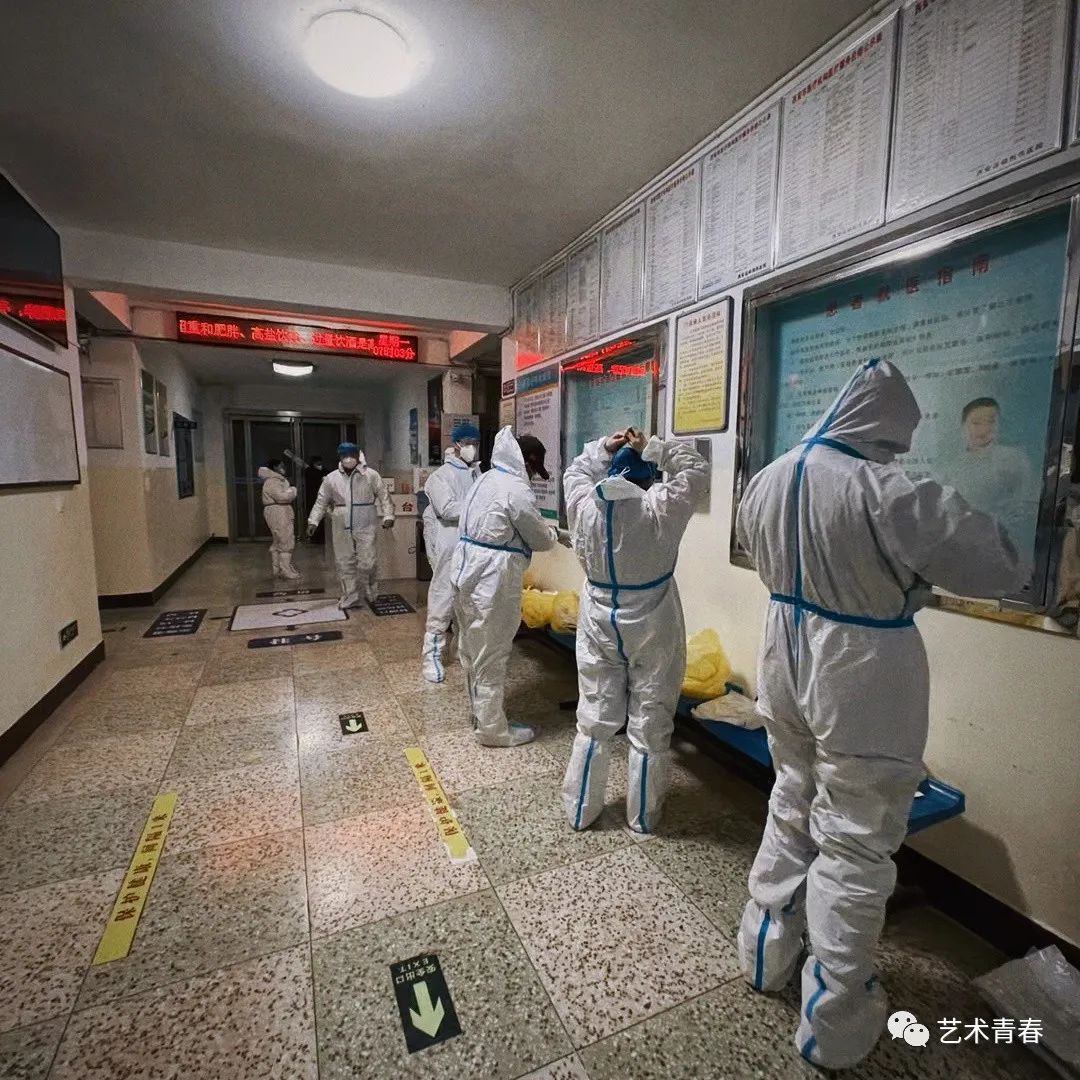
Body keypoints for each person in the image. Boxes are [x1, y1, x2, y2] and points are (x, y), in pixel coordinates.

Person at [735, 359, 1022, 1071]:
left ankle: (764, 951)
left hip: (782, 652)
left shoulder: (768, 477)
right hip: (861, 671)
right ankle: (833, 1019)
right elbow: (999, 565)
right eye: (895, 441)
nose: (896, 453)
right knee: (857, 841)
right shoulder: (884, 490)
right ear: (884, 427)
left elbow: (759, 551)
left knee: (790, 801)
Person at [561, 427, 709, 833]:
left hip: (599, 619)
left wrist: (602, 447)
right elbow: (696, 470)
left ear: (612, 473)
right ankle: (643, 816)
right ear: (648, 480)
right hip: (652, 621)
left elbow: (575, 471)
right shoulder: (658, 508)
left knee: (594, 716)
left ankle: (580, 810)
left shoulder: (584, 506)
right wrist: (654, 447)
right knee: (650, 718)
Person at [451, 427, 558, 746]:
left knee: (472, 647)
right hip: (492, 577)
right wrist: (553, 534)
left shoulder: (485, 479)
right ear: (528, 461)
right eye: (534, 469)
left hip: (466, 569)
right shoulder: (516, 488)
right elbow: (539, 539)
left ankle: (479, 713)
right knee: (492, 652)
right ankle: (492, 730)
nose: (534, 476)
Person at [421, 422, 482, 682]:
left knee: (467, 600)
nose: (472, 448)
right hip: (448, 543)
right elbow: (447, 509)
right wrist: (480, 506)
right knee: (443, 597)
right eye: (467, 443)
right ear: (456, 445)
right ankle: (431, 655)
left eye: (475, 443)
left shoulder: (477, 473)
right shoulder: (440, 476)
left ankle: (461, 647)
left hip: (472, 545)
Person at [939, 396, 1037, 555]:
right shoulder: (951, 469)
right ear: (963, 427)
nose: (984, 429)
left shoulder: (1013, 459)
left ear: (999, 425)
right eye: (976, 423)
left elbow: (1027, 505)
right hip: (959, 550)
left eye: (991, 422)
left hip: (1002, 548)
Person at [307, 442, 395, 609]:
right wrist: (313, 521)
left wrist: (388, 515)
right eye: (344, 455)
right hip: (341, 521)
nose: (348, 459)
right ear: (339, 457)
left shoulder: (370, 475)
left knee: (368, 561)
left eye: (351, 455)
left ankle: (371, 590)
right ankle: (351, 595)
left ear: (357, 456)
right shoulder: (331, 478)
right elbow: (321, 501)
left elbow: (384, 496)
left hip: (365, 520)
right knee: (344, 561)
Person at [259, 459, 301, 580]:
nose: (284, 467)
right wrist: (293, 491)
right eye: (281, 466)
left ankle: (277, 569)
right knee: (285, 540)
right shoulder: (273, 481)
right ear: (275, 467)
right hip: (279, 511)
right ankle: (285, 570)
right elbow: (282, 497)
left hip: (278, 511)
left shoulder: (275, 480)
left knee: (279, 541)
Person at [304, 455, 328, 545]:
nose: (320, 464)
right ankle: (315, 537)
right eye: (318, 462)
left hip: (323, 497)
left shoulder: (326, 472)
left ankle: (322, 537)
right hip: (313, 497)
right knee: (316, 515)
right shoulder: (309, 472)